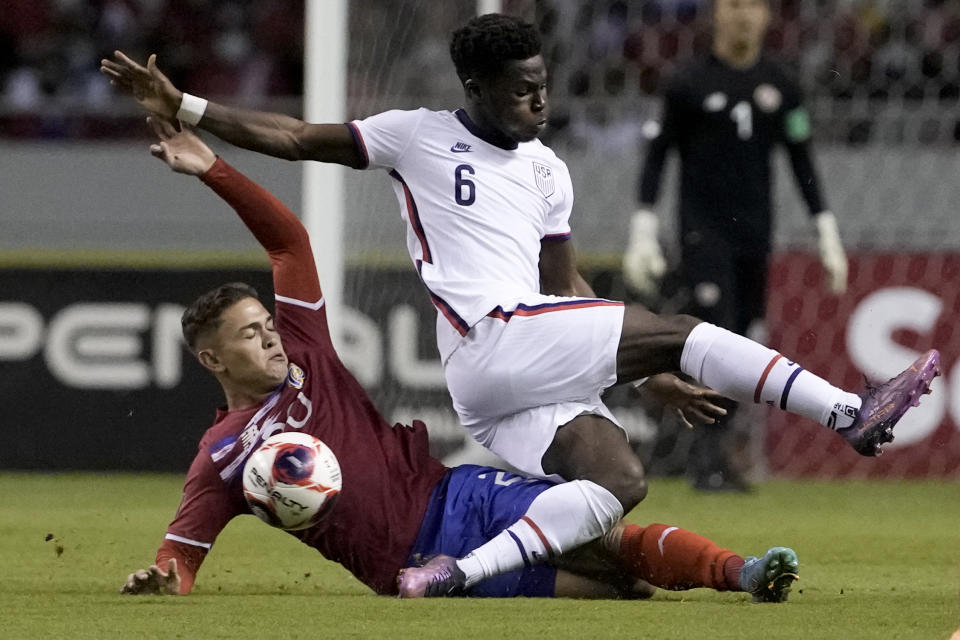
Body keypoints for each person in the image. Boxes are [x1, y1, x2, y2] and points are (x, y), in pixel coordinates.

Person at [101, 13, 940, 597]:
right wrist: (188, 108)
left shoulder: (548, 170)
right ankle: (849, 414)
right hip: (488, 342)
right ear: (476, 85)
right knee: (684, 329)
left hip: (523, 366)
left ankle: (452, 575)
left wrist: (647, 376)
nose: (538, 101)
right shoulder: (418, 135)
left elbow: (567, 290)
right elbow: (294, 137)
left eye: (542, 86)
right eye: (519, 90)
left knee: (620, 482)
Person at [120, 118, 800, 603]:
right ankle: (704, 574)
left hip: (454, 495)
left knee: (608, 538)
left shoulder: (306, 351)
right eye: (248, 335)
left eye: (264, 323)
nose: (268, 337)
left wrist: (213, 168)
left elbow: (289, 244)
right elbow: (183, 554)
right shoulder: (224, 455)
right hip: (406, 569)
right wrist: (164, 577)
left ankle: (742, 573)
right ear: (212, 359)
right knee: (615, 589)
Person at [622, 0, 847, 491]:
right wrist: (643, 225)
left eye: (753, 6)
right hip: (704, 231)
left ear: (768, 16)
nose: (744, 15)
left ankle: (720, 452)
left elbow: (801, 157)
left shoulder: (781, 85)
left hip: (755, 234)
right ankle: (706, 458)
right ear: (717, 14)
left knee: (743, 337)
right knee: (715, 331)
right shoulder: (688, 83)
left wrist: (824, 228)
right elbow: (658, 154)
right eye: (733, 4)